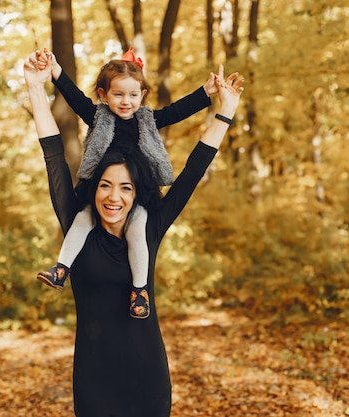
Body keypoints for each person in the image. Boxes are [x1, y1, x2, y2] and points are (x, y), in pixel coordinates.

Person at [24, 51, 243, 416]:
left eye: (125, 188)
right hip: (94, 378)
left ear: (136, 193)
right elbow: (53, 155)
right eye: (106, 186)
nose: (114, 196)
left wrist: (225, 109)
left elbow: (194, 167)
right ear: (94, 188)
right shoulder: (77, 226)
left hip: (147, 375)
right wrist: (36, 86)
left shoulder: (150, 226)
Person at [34, 47, 232, 319]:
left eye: (133, 95)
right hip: (100, 191)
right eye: (118, 94)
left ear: (142, 95)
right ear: (103, 95)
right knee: (81, 220)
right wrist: (55, 72)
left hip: (138, 194)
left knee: (138, 230)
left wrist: (205, 92)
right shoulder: (98, 117)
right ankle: (61, 269)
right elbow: (75, 98)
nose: (126, 101)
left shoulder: (147, 120)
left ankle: (139, 290)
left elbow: (176, 111)